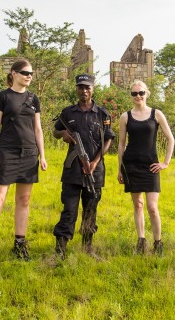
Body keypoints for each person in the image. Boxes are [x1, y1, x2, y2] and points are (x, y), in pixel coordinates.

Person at [0, 59, 47, 269]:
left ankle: (19, 245)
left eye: (31, 73)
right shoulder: (3, 96)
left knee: (24, 200)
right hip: (6, 153)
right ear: (13, 74)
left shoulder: (34, 98)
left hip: (29, 154)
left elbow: (38, 129)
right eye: (25, 72)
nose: (29, 76)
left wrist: (42, 156)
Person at [53, 74, 115, 259]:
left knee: (91, 209)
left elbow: (109, 139)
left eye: (87, 87)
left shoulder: (102, 114)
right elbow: (55, 131)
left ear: (92, 89)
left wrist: (95, 162)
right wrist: (62, 133)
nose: (84, 91)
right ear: (76, 89)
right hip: (72, 172)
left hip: (95, 171)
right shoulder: (68, 113)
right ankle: (60, 250)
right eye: (80, 87)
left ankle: (87, 248)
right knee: (69, 210)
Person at [117, 79, 174, 255]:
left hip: (151, 166)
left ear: (146, 93)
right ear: (131, 96)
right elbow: (121, 144)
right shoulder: (125, 116)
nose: (138, 96)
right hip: (131, 165)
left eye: (141, 93)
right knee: (138, 205)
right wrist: (120, 169)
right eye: (134, 93)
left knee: (152, 207)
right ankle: (141, 241)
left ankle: (158, 243)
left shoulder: (156, 114)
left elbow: (171, 139)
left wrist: (165, 163)